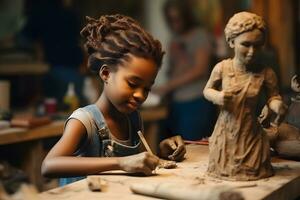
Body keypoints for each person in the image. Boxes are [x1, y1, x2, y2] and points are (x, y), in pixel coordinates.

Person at [41, 14, 186, 185]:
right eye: (132, 84)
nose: (140, 95)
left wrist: (160, 153)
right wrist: (121, 163)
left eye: (147, 88)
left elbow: (135, 165)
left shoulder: (133, 119)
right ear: (106, 74)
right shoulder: (84, 121)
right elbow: (49, 166)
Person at [203, 12, 287, 181]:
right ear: (231, 42)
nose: (252, 52)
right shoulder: (222, 68)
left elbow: (273, 97)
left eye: (257, 45)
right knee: (224, 162)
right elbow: (207, 90)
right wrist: (217, 97)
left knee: (255, 165)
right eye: (246, 44)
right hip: (226, 131)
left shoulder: (266, 73)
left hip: (251, 133)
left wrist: (277, 105)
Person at [153, 0, 217, 141]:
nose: (175, 24)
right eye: (171, 20)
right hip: (176, 102)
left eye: (177, 19)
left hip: (196, 100)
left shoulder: (200, 35)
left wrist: (167, 86)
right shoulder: (174, 38)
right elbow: (173, 69)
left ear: (186, 16)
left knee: (194, 145)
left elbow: (200, 70)